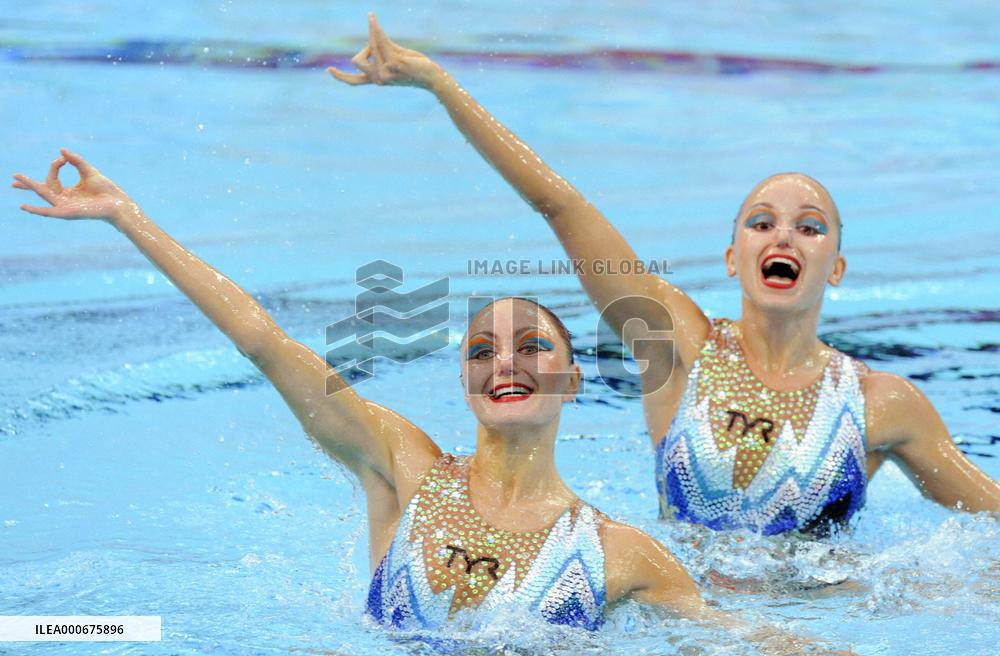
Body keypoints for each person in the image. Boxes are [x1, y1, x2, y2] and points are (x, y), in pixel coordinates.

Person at [11, 151, 849, 653]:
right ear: (464, 382)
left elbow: (748, 642)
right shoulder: (403, 470)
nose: (504, 363)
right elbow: (264, 341)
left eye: (531, 348)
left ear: (571, 379)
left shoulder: (622, 556)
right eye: (481, 350)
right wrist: (128, 218)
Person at [329, 13, 1000, 536]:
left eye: (811, 225)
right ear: (734, 258)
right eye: (761, 222)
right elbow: (558, 205)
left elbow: (988, 518)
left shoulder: (883, 404)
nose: (785, 234)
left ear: (838, 268)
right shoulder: (676, 343)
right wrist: (441, 87)